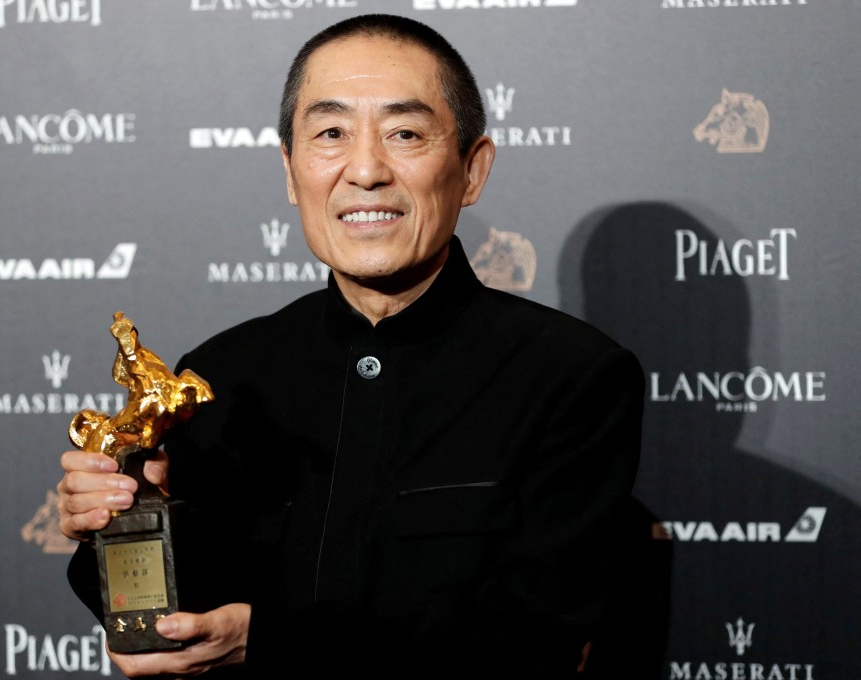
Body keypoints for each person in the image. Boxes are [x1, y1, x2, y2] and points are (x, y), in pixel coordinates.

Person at [57, 14, 643, 679]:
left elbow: (530, 648)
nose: (365, 170)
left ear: (472, 170)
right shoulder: (220, 376)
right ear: (290, 171)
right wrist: (117, 521)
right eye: (331, 134)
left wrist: (267, 643)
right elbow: (180, 614)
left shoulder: (572, 377)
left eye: (405, 134)